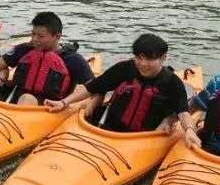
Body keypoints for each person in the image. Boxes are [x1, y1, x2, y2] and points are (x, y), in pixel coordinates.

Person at [44, 34, 198, 135]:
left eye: (150, 59)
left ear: (163, 58)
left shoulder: (172, 82)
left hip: (145, 137)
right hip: (109, 129)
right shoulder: (124, 68)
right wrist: (64, 102)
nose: (143, 64)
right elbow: (92, 87)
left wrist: (190, 131)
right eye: (139, 57)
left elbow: (183, 113)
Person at [0, 11, 94, 106]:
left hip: (49, 105)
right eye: (33, 34)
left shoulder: (73, 60)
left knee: (27, 99)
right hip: (15, 98)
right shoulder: (25, 49)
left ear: (57, 36)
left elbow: (94, 87)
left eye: (40, 36)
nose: (34, 39)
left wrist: (68, 103)